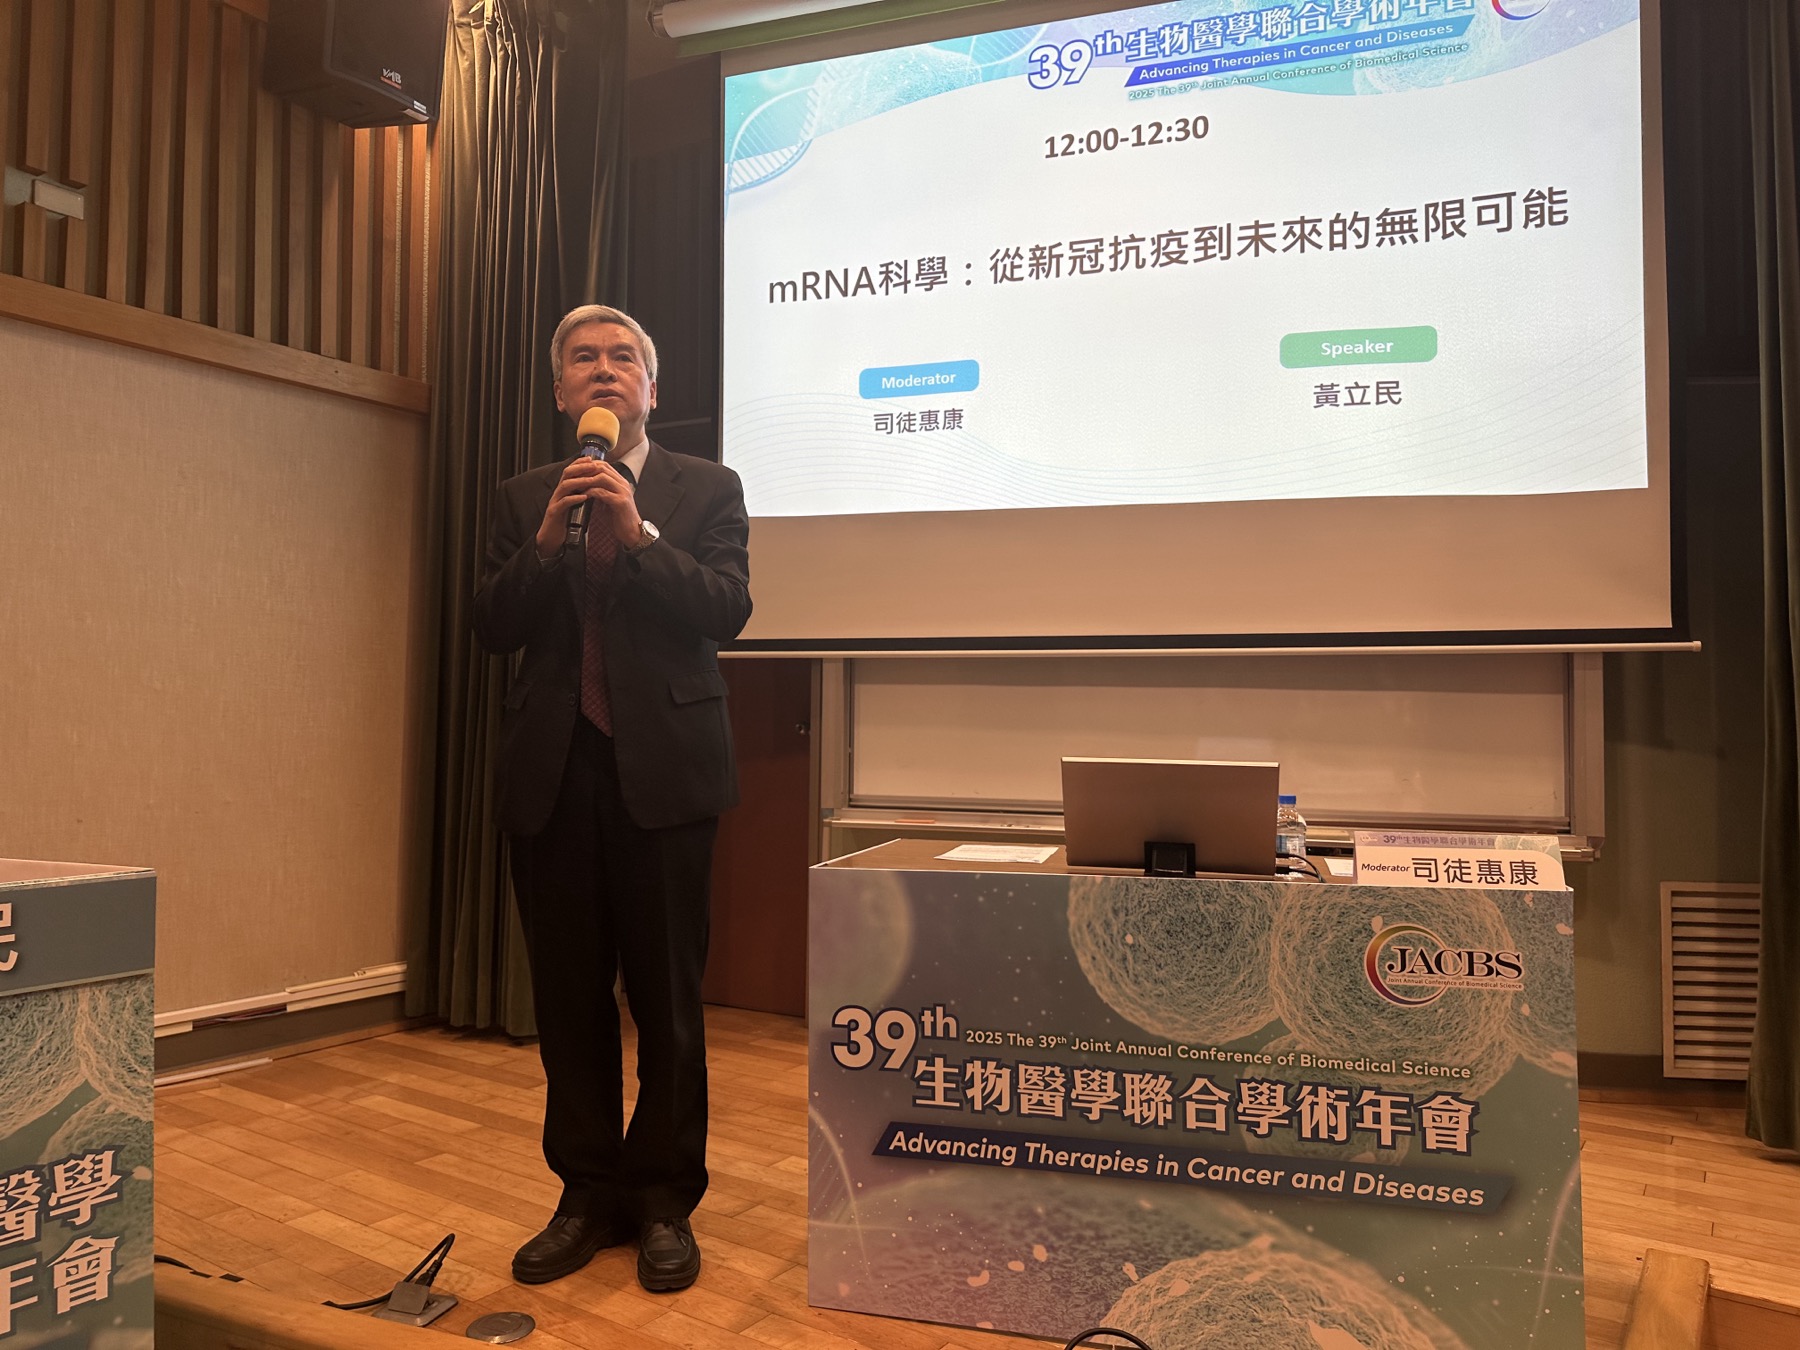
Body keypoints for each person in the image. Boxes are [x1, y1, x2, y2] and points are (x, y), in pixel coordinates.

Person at [472, 304, 751, 1292]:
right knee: (570, 1003)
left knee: (668, 1006)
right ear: (561, 391)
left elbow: (727, 609)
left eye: (623, 357)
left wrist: (638, 536)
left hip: (666, 776)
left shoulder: (706, 487)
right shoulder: (523, 498)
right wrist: (548, 542)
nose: (604, 369)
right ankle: (586, 1195)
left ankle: (664, 1201)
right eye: (584, 358)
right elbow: (491, 624)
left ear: (651, 389)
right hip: (555, 777)